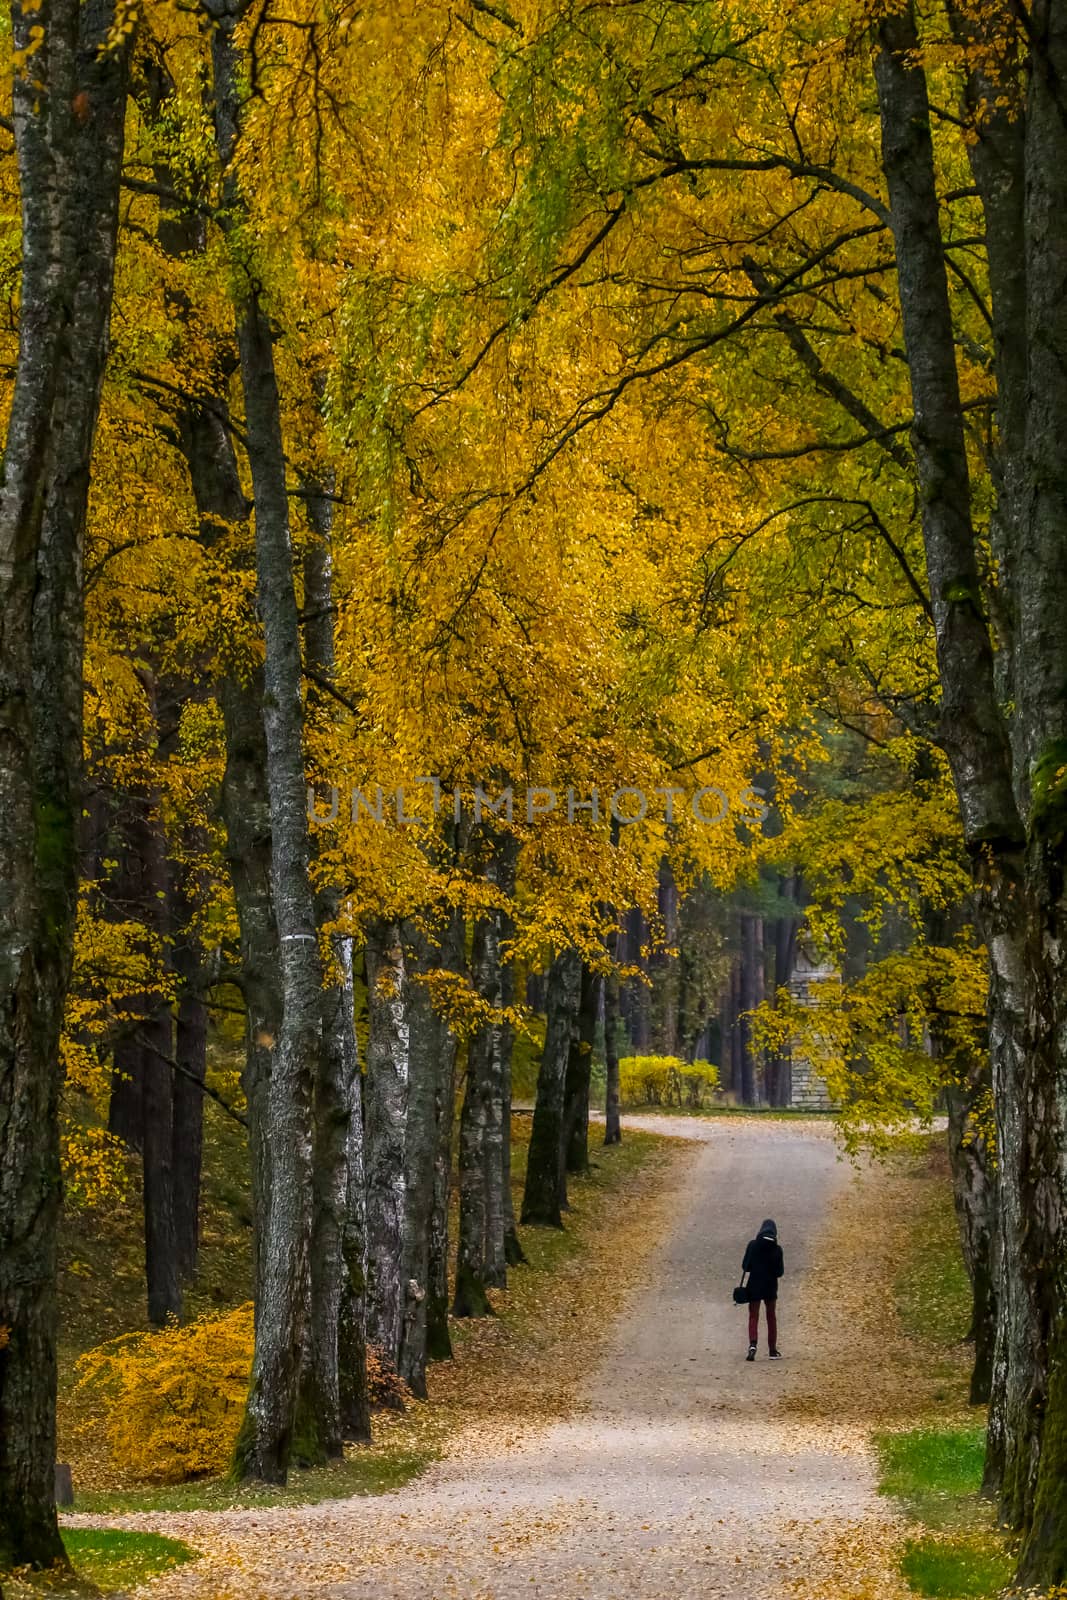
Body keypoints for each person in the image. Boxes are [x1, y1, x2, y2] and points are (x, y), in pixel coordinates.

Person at [741, 1218, 784, 1360]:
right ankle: (772, 1350)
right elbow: (780, 1272)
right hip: (770, 1287)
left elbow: (745, 1267)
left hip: (754, 1285)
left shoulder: (753, 1245)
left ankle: (753, 1345)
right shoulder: (777, 1249)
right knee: (771, 1316)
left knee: (754, 1316)